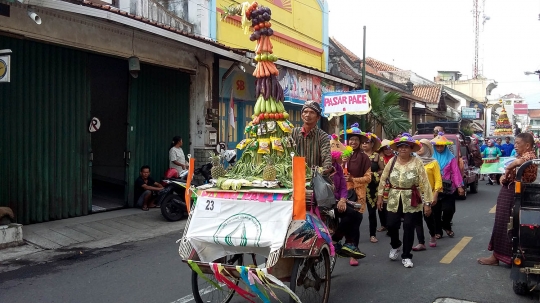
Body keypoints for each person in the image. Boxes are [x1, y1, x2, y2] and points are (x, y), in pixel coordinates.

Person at [478, 133, 538, 266]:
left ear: (527, 145)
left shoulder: (529, 156)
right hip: (510, 190)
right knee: (503, 223)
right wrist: (504, 176)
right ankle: (498, 255)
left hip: (515, 193)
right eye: (515, 143)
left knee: (507, 224)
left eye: (518, 143)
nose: (515, 146)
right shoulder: (521, 156)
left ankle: (502, 256)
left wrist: (509, 168)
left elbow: (517, 163)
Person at [377, 133, 433, 268]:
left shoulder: (417, 162)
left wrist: (427, 203)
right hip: (393, 196)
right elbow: (384, 178)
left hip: (411, 197)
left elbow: (425, 183)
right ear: (397, 148)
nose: (403, 149)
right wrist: (379, 196)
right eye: (400, 147)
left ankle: (407, 255)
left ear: (411, 149)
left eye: (406, 147)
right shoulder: (392, 161)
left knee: (408, 226)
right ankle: (396, 245)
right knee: (391, 224)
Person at [329, 135, 365, 265]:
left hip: (340, 200)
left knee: (358, 215)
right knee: (350, 215)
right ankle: (338, 240)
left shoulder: (338, 167)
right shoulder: (325, 168)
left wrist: (343, 199)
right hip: (326, 202)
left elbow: (343, 186)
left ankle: (349, 244)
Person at [341, 124, 372, 265]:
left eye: (355, 140)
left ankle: (354, 250)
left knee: (356, 221)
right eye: (350, 140)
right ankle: (345, 243)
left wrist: (353, 179)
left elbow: (368, 178)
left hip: (358, 193)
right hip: (343, 193)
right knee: (345, 219)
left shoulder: (364, 158)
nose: (353, 142)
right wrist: (342, 166)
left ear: (360, 142)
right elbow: (334, 173)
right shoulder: (342, 155)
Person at [431, 133, 465, 239]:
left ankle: (446, 225)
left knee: (449, 209)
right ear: (434, 146)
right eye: (437, 146)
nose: (440, 148)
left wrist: (459, 186)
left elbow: (455, 172)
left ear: (445, 146)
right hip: (434, 188)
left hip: (448, 188)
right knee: (435, 212)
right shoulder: (430, 158)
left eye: (442, 146)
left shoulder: (451, 158)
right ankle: (438, 231)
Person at [412, 139, 442, 250]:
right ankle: (421, 242)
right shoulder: (414, 161)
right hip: (416, 194)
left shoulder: (433, 163)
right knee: (416, 219)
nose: (419, 149)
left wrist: (436, 194)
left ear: (428, 149)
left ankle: (433, 235)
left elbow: (438, 180)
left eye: (422, 146)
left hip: (428, 194)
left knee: (428, 217)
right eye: (418, 146)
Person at [291, 101, 332, 172]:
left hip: (315, 177)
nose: (307, 115)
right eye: (305, 112)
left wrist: (326, 168)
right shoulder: (293, 133)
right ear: (301, 115)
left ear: (318, 117)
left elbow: (326, 157)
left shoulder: (322, 136)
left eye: (312, 112)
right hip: (294, 176)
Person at [361, 132, 384, 243]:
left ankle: (372, 235)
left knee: (371, 212)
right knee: (356, 212)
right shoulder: (357, 155)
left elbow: (383, 170)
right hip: (359, 186)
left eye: (367, 142)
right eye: (363, 142)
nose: (364, 144)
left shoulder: (377, 156)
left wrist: (374, 174)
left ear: (372, 144)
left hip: (373, 187)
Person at [376, 139, 394, 233]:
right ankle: (383, 224)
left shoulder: (396, 158)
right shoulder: (380, 158)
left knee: (390, 205)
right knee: (380, 204)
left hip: (392, 184)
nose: (388, 150)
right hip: (380, 184)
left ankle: (390, 225)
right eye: (385, 149)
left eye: (389, 148)